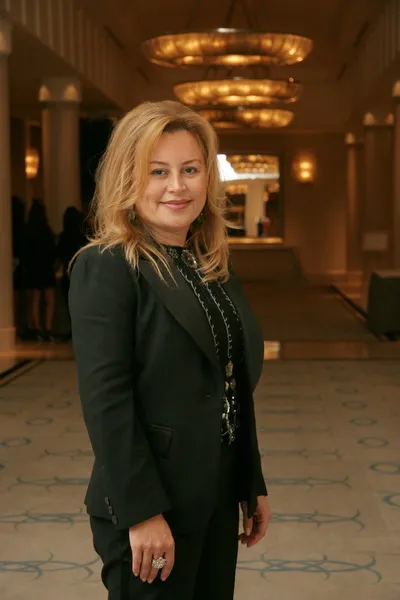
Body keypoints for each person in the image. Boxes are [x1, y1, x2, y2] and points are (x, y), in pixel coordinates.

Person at [69, 100, 270, 600]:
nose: (176, 186)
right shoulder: (107, 266)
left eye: (190, 170)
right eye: (158, 171)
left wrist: (250, 480)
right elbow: (107, 402)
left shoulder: (209, 263)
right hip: (151, 502)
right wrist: (142, 511)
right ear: (128, 177)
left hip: (216, 492)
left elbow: (228, 381)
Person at [23, 198, 56, 341]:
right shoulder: (46, 230)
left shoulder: (28, 231)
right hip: (46, 267)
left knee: (35, 299)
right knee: (49, 299)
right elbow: (52, 250)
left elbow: (25, 252)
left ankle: (37, 328)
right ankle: (48, 328)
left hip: (33, 268)